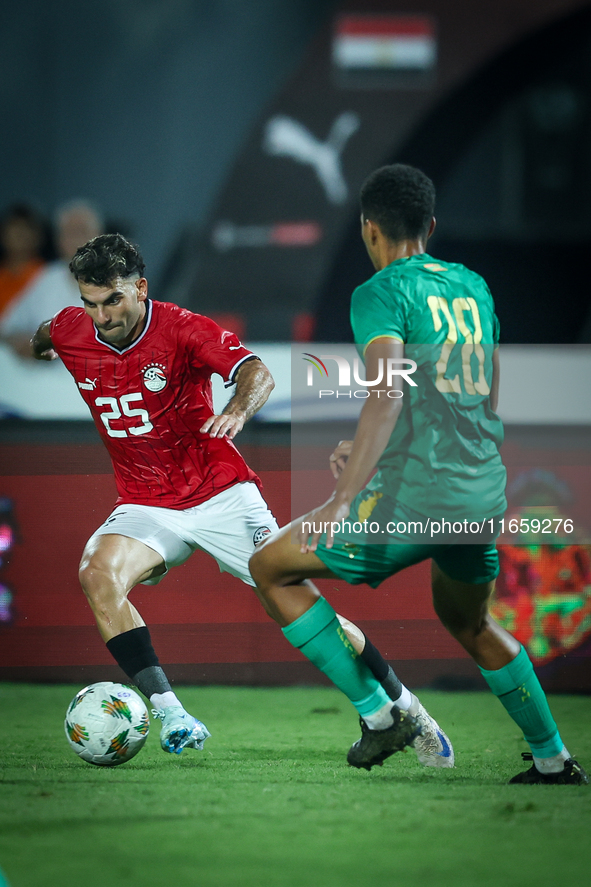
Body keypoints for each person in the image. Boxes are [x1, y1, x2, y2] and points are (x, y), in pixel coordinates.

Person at [31, 232, 452, 763]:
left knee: (299, 606)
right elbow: (46, 335)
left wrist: (238, 408)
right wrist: (42, 347)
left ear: (140, 288)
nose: (102, 317)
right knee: (97, 573)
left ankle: (402, 707)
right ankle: (171, 712)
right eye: (91, 303)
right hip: (146, 502)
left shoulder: (182, 328)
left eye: (113, 300)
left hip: (221, 494)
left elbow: (256, 371)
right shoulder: (74, 328)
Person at [249, 164, 588, 784]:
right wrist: (369, 447)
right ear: (429, 226)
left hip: (416, 496)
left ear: (368, 229)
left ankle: (383, 717)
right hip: (481, 490)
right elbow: (476, 392)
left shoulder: (378, 292)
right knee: (470, 621)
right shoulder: (473, 287)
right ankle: (554, 760)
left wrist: (341, 498)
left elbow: (388, 393)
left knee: (269, 566)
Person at [2, 200, 102, 356]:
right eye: (68, 233)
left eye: (82, 232)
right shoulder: (48, 277)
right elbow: (8, 326)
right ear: (59, 241)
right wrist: (22, 342)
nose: (76, 241)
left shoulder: (119, 283)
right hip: (38, 375)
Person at [0, 203, 48, 321]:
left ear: (38, 236)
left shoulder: (47, 275)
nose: (20, 234)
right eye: (14, 227)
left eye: (26, 228)